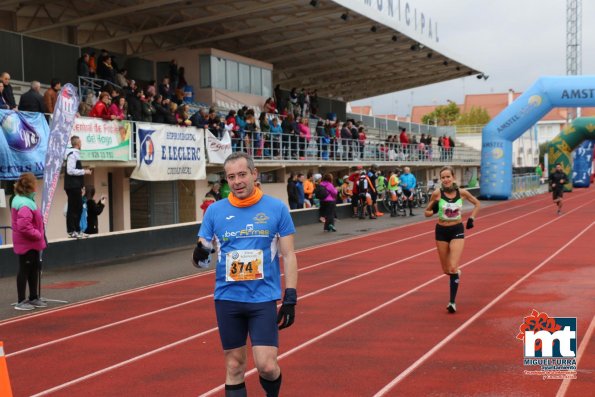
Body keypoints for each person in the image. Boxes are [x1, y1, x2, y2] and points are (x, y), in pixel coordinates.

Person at [194, 152, 298, 397]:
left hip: (262, 299)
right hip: (228, 299)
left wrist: (291, 296)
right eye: (231, 177)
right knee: (234, 365)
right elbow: (203, 256)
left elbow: (289, 255)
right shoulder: (214, 211)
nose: (237, 181)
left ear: (254, 174)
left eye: (242, 174)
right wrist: (199, 256)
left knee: (267, 366)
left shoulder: (276, 209)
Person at [424, 166, 480, 314]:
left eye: (448, 176)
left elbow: (477, 204)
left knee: (453, 267)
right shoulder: (437, 194)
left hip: (457, 230)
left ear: (453, 177)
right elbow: (426, 213)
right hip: (441, 231)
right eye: (443, 177)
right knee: (446, 270)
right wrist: (434, 209)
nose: (446, 179)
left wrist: (472, 218)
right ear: (441, 180)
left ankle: (452, 302)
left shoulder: (462, 192)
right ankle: (455, 273)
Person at [11, 172, 47, 311]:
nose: (37, 185)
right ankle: (21, 301)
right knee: (25, 270)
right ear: (31, 186)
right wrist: (38, 234)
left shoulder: (26, 200)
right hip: (27, 242)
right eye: (35, 182)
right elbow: (24, 226)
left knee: (33, 269)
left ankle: (33, 297)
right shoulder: (24, 203)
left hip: (32, 242)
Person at [64, 136, 92, 238]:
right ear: (78, 144)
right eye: (80, 142)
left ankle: (77, 230)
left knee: (78, 208)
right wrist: (84, 171)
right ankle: (72, 231)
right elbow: (70, 170)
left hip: (75, 186)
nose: (81, 145)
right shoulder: (72, 154)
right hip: (72, 186)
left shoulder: (74, 154)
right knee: (73, 208)